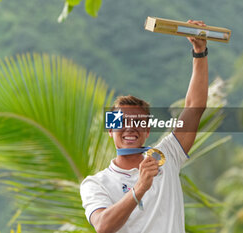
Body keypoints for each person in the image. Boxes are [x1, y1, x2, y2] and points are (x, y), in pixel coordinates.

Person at [80, 20, 208, 233]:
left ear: (147, 130)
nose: (130, 128)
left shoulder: (166, 154)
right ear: (111, 130)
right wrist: (139, 188)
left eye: (138, 122)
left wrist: (199, 51)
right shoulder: (96, 183)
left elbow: (194, 107)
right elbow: (103, 226)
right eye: (121, 123)